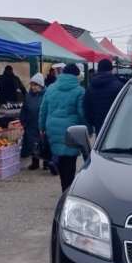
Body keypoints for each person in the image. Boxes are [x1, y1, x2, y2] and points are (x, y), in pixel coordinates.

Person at [39, 63, 86, 191]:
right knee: (69, 163)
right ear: (76, 76)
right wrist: (88, 129)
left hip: (52, 129)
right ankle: (67, 190)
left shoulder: (51, 88)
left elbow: (43, 110)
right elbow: (82, 113)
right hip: (71, 132)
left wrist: (41, 127)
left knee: (60, 158)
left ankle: (64, 187)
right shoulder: (80, 91)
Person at [84, 58, 124, 135]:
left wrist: (93, 123)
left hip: (99, 127)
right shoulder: (119, 86)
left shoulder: (90, 87)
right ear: (111, 70)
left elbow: (86, 109)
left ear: (98, 70)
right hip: (116, 126)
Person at [20, 73, 45, 170]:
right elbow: (24, 109)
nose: (33, 87)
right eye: (32, 84)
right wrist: (23, 121)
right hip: (30, 124)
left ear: (41, 85)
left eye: (35, 85)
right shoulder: (28, 96)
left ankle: (46, 163)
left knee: (43, 144)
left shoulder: (46, 95)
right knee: (32, 144)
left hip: (41, 123)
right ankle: (35, 163)